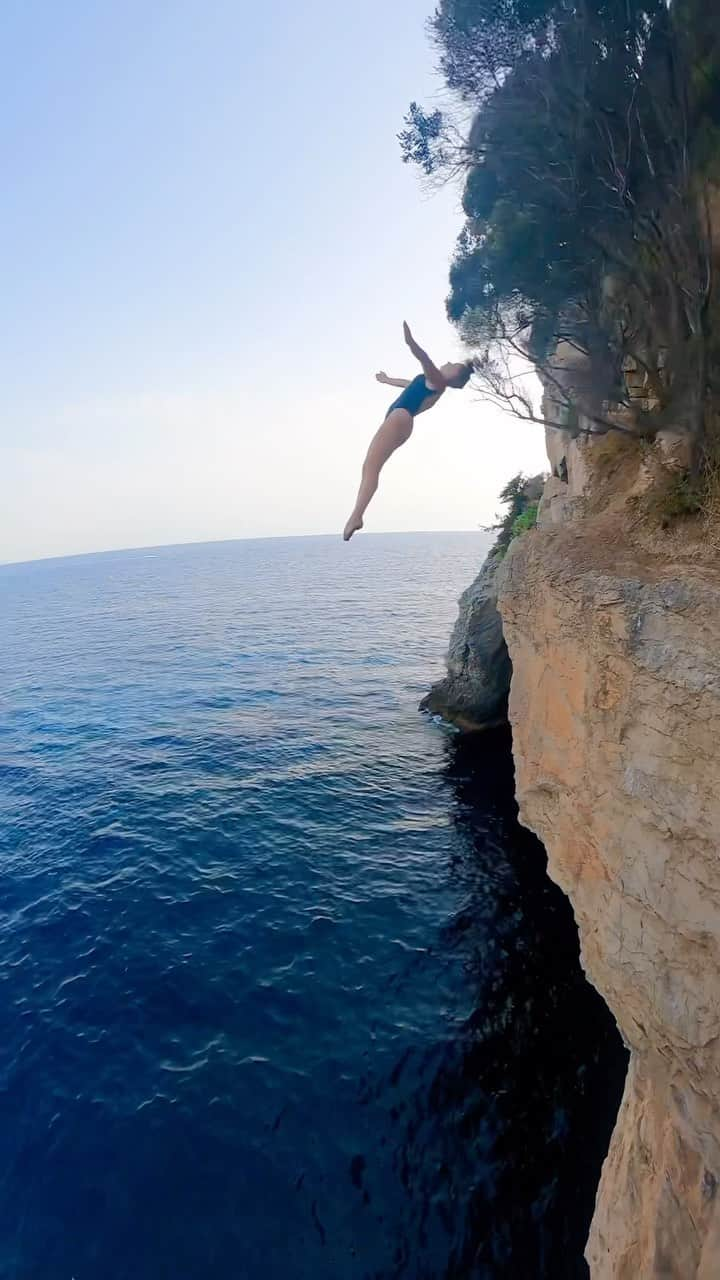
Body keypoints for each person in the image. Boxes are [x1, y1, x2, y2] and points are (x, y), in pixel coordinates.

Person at [343, 322, 473, 541]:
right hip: (401, 420)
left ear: (453, 377)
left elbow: (424, 358)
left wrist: (410, 342)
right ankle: (357, 514)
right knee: (371, 467)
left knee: (370, 467)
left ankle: (356, 516)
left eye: (454, 364)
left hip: (400, 417)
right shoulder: (431, 383)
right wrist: (386, 380)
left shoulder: (438, 381)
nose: (449, 361)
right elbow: (408, 384)